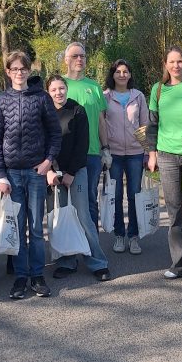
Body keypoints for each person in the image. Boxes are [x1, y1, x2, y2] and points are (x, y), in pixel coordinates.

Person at [0, 51, 61, 300]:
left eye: (23, 69)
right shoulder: (0, 101)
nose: (19, 73)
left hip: (35, 172)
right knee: (17, 228)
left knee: (36, 228)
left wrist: (48, 162)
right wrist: (1, 174)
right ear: (8, 72)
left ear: (29, 71)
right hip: (11, 174)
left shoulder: (41, 98)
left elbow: (55, 134)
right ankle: (21, 277)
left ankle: (37, 275)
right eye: (14, 69)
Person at [146, 47, 182, 284]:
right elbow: (152, 125)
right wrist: (152, 154)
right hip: (167, 155)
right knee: (173, 210)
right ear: (165, 64)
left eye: (180, 61)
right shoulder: (158, 89)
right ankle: (178, 263)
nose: (176, 65)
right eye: (172, 61)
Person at [45, 75, 110, 281]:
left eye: (61, 88)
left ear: (67, 89)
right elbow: (42, 143)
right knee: (61, 218)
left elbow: (82, 144)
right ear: (49, 92)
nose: (58, 93)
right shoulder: (45, 113)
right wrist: (51, 170)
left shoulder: (77, 110)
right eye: (54, 89)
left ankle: (97, 262)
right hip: (53, 173)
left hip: (76, 171)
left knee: (83, 216)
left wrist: (71, 173)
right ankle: (66, 261)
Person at [103, 59, 149, 255]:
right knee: (116, 196)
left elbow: (144, 124)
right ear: (112, 75)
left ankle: (134, 236)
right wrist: (104, 150)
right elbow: (102, 124)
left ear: (130, 75)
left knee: (133, 195)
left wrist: (147, 152)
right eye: (118, 71)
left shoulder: (137, 96)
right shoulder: (105, 96)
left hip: (135, 153)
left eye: (126, 71)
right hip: (113, 153)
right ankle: (119, 235)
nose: (122, 75)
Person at [62, 41, 109, 229]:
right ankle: (70, 247)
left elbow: (101, 121)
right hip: (65, 154)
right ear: (66, 60)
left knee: (90, 199)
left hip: (92, 153)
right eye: (75, 56)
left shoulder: (94, 87)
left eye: (82, 56)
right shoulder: (59, 85)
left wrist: (106, 149)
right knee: (67, 202)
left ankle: (91, 247)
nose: (79, 59)